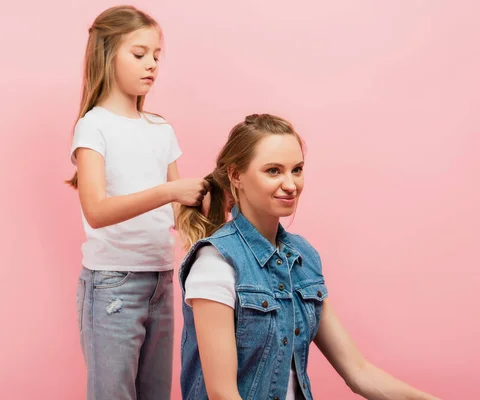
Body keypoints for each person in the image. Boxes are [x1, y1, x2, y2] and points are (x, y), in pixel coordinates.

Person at [175, 113, 438, 400]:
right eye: (273, 171)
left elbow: (359, 372)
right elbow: (223, 394)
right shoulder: (215, 264)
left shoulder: (302, 258)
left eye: (297, 169)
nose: (291, 184)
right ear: (236, 175)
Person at [66, 5, 208, 400]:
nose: (152, 65)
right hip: (112, 285)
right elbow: (96, 210)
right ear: (107, 54)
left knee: (156, 394)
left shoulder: (161, 129)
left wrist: (219, 197)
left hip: (161, 281)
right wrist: (169, 193)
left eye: (157, 55)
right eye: (139, 53)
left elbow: (183, 212)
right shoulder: (92, 126)